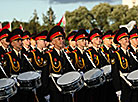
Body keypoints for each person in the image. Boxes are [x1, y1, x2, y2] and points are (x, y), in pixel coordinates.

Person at [42, 25, 74, 102]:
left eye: (62, 38)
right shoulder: (48, 55)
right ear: (53, 41)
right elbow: (45, 75)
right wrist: (46, 92)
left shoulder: (66, 54)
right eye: (58, 39)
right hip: (55, 89)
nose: (61, 41)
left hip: (66, 87)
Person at [111, 27, 131, 102]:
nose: (127, 40)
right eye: (125, 39)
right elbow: (115, 73)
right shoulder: (116, 55)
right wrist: (118, 89)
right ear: (119, 41)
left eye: (127, 38)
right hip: (124, 85)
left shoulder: (131, 53)